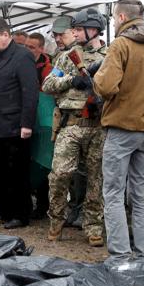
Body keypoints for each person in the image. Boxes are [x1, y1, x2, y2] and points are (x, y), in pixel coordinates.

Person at [93, 0, 144, 259]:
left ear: (120, 18)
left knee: (114, 194)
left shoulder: (120, 45)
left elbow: (105, 87)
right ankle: (143, 255)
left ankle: (120, 257)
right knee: (141, 195)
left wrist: (97, 78)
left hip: (122, 129)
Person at [42, 8, 108, 246]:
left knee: (96, 179)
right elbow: (48, 84)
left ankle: (93, 227)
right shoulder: (67, 56)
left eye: (80, 29)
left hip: (98, 125)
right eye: (76, 29)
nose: (76, 33)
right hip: (71, 125)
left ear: (94, 30)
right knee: (59, 175)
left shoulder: (110, 55)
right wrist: (73, 80)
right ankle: (56, 222)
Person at [0, 18, 38, 229]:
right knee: (0, 172)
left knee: (17, 172)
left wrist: (26, 124)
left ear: (6, 35)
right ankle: (5, 211)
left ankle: (21, 214)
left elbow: (30, 92)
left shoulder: (22, 56)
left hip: (15, 125)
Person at [50, 16, 87, 229]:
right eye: (55, 35)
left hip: (92, 121)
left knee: (90, 174)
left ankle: (86, 213)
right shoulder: (62, 57)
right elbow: (49, 83)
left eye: (61, 34)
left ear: (73, 32)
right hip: (68, 120)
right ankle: (71, 209)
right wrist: (71, 81)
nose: (57, 38)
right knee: (63, 173)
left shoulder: (97, 54)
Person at [25, 32, 53, 220]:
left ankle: (43, 206)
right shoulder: (23, 64)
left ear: (41, 49)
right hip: (28, 121)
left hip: (42, 124)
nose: (28, 50)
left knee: (42, 164)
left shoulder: (48, 68)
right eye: (26, 46)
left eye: (32, 47)